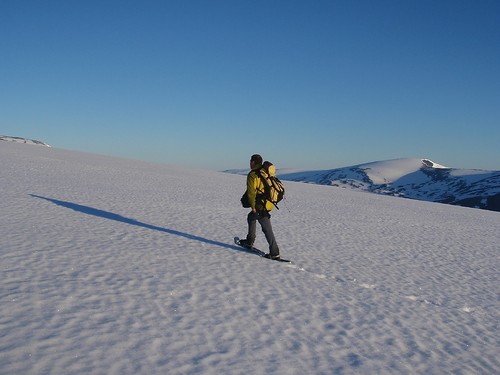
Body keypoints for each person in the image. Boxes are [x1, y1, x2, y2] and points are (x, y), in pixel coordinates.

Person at [239, 154, 281, 260]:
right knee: (251, 218)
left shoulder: (253, 174)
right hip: (268, 203)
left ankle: (274, 252)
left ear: (253, 162)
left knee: (267, 229)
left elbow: (251, 192)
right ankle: (250, 241)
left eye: (250, 161)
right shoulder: (264, 172)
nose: (249, 163)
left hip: (260, 205)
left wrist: (253, 206)